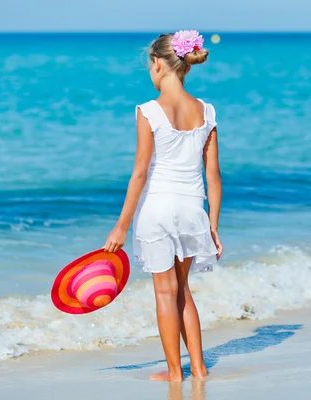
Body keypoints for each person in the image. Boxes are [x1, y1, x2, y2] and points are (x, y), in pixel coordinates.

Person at [103, 30, 223, 382]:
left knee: (165, 292)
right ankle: (198, 368)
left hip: (157, 211)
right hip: (192, 211)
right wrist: (213, 226)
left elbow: (140, 174)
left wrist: (121, 227)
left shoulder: (149, 111)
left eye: (149, 65)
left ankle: (174, 373)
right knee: (184, 290)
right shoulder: (207, 111)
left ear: (157, 64)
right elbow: (213, 176)